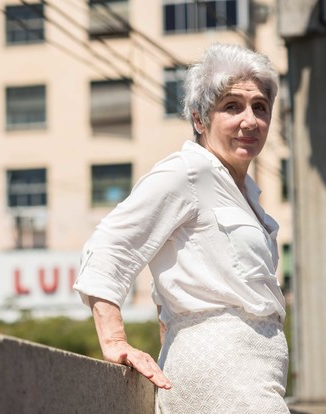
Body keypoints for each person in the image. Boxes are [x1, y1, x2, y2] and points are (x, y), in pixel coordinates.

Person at [73, 43, 289, 413]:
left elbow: (178, 277)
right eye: (231, 106)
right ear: (199, 119)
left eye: (260, 107)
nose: (250, 120)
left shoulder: (246, 193)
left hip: (245, 374)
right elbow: (110, 243)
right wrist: (114, 341)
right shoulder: (190, 171)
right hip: (227, 376)